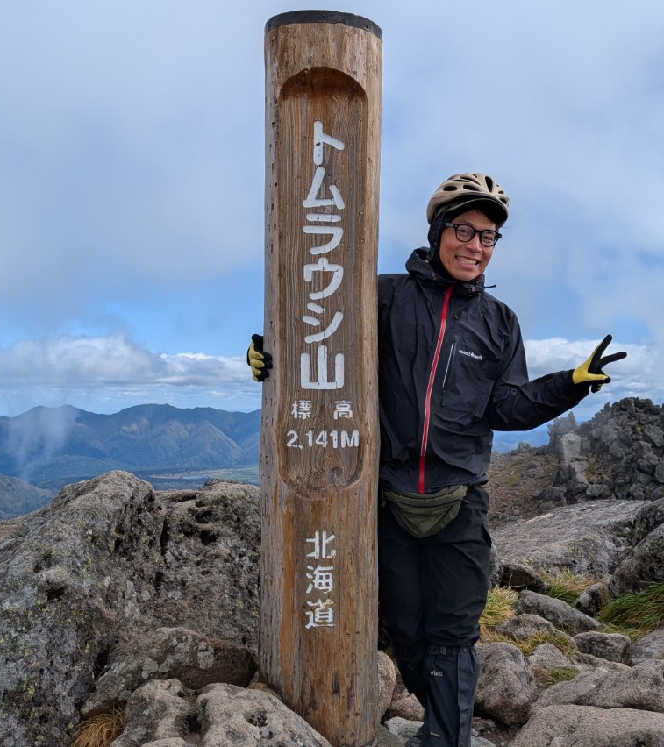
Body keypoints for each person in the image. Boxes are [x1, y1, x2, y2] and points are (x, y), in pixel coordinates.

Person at [246, 172, 626, 746]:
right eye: (464, 230)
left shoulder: (499, 323)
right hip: (387, 496)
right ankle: (435, 725)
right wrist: (271, 356)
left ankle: (446, 740)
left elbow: (509, 405)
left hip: (459, 502)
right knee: (403, 631)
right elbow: (320, 341)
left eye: (489, 237)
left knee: (453, 634)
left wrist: (570, 383)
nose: (476, 246)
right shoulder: (384, 295)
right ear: (437, 231)